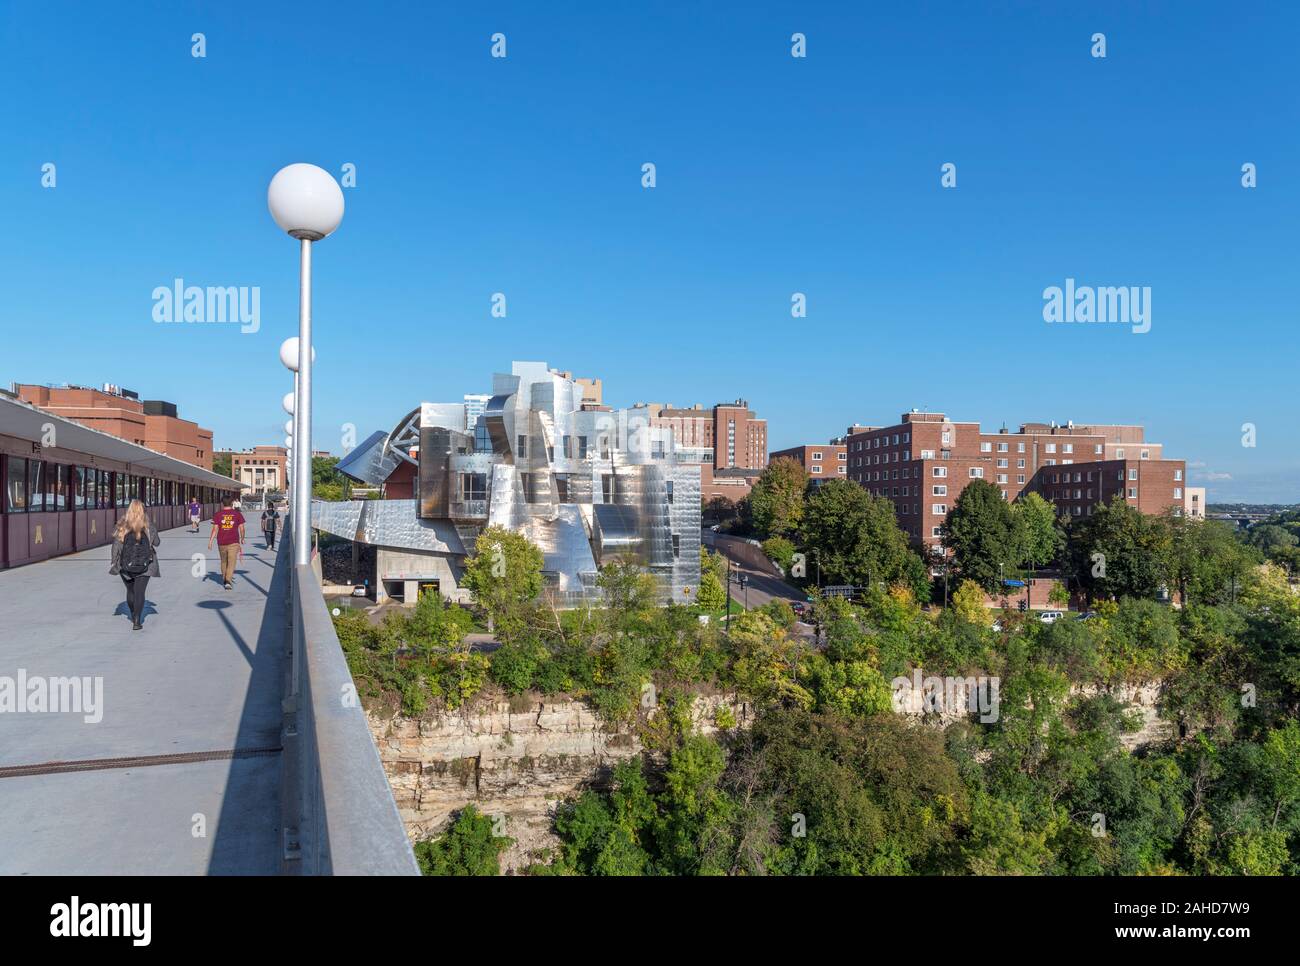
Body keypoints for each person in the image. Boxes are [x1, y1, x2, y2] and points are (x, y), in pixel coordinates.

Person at [109, 499, 160, 630]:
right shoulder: (149, 526)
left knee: (131, 591)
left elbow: (116, 546)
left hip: (125, 565)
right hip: (146, 565)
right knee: (140, 592)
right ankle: (137, 620)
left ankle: (133, 613)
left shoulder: (122, 525)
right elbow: (157, 543)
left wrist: (114, 561)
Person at [207, 495, 246, 590]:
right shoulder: (237, 514)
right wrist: (242, 538)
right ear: (232, 503)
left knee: (224, 561)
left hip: (221, 542)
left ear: (222, 503)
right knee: (231, 561)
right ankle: (227, 580)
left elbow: (215, 529)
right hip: (234, 541)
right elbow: (242, 527)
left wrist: (210, 541)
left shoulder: (218, 514)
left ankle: (225, 579)